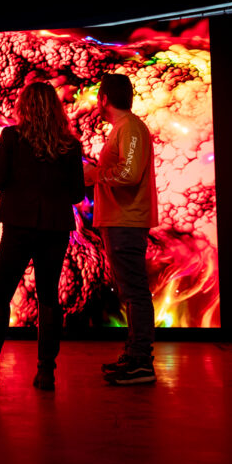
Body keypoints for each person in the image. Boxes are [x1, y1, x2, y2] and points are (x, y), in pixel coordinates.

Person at [0, 81, 84, 390]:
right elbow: (77, 195)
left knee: (0, 297)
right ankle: (46, 372)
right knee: (49, 299)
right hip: (55, 227)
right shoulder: (70, 144)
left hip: (19, 225)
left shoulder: (12, 137)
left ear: (23, 107)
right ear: (55, 108)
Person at [84, 73, 158, 385]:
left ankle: (141, 360)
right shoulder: (125, 129)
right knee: (131, 292)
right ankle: (134, 354)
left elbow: (128, 174)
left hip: (125, 221)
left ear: (104, 99)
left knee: (135, 292)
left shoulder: (130, 128)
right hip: (119, 220)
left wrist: (94, 173)